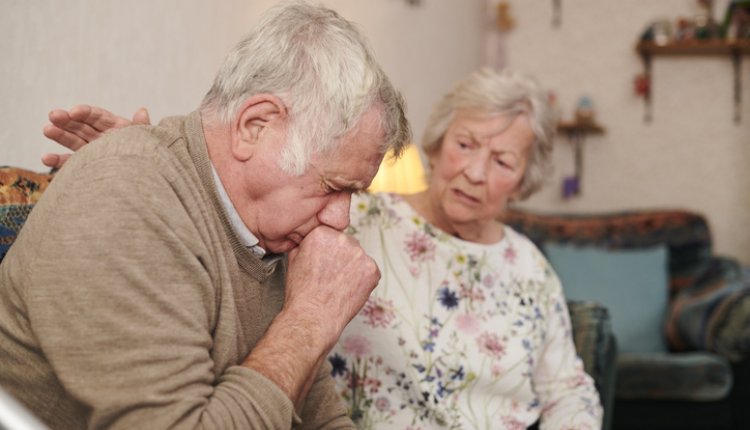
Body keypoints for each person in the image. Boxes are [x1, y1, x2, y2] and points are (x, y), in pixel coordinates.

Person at [39, 68, 603, 429]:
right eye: (465, 144)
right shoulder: (352, 220)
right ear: (437, 144)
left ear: (525, 179)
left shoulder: (528, 266)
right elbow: (247, 203)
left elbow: (569, 393)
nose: (476, 172)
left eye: (503, 161)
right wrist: (151, 157)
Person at [0, 1, 410, 429]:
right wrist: (309, 319)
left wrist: (306, 320)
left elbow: (320, 417)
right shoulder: (126, 192)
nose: (340, 219)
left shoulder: (268, 231)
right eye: (333, 186)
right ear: (255, 126)